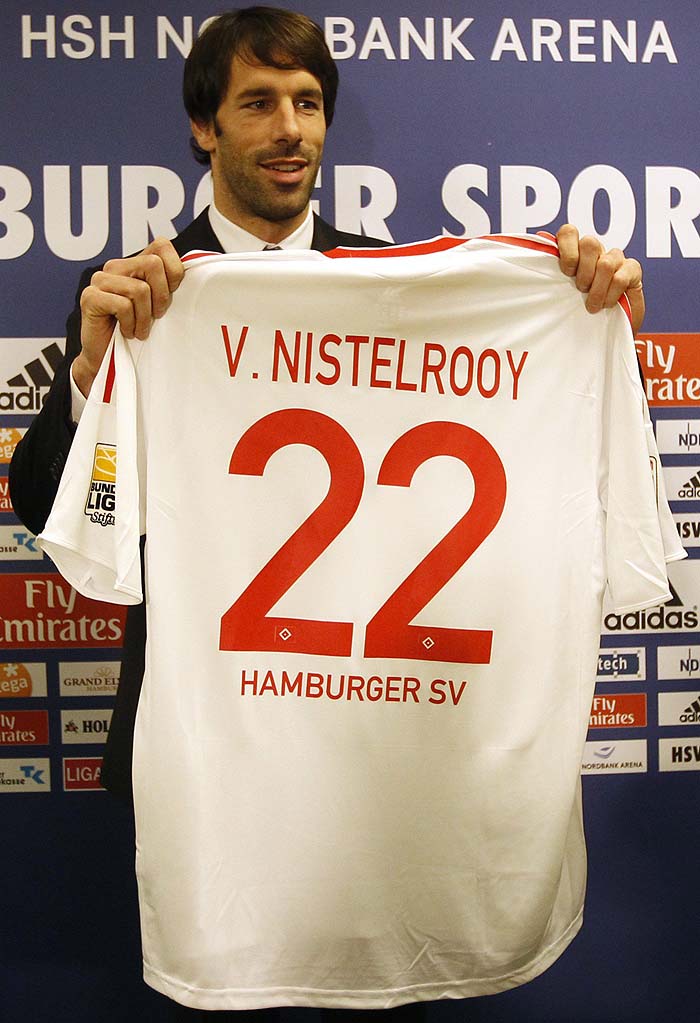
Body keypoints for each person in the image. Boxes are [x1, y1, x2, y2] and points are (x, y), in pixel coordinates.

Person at [9, 6, 647, 1021]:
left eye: (306, 104)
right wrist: (93, 374)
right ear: (203, 129)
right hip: (210, 762)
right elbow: (56, 508)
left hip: (380, 759)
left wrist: (580, 305)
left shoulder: (402, 290)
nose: (290, 130)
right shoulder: (135, 299)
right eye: (256, 103)